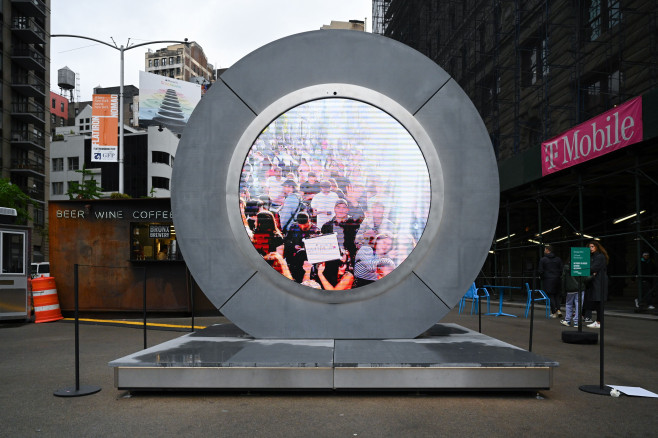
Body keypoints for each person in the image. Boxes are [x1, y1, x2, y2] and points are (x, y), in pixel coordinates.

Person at [584, 240, 609, 329]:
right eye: (589, 247)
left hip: (599, 282)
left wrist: (586, 269)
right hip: (596, 281)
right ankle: (597, 321)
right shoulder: (594, 256)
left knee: (599, 302)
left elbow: (594, 268)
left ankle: (599, 322)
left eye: (592, 246)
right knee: (596, 301)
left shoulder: (599, 256)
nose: (590, 248)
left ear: (597, 247)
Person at [538, 244, 563, 318]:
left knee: (551, 296)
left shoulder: (543, 259)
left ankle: (554, 312)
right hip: (557, 279)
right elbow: (561, 269)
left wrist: (542, 277)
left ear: (548, 250)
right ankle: (558, 310)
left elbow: (540, 271)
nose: (544, 251)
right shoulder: (558, 259)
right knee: (557, 296)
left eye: (545, 249)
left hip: (548, 279)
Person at [560, 259, 582, 328]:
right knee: (578, 304)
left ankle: (568, 320)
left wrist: (563, 290)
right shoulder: (581, 266)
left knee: (569, 304)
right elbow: (585, 278)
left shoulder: (566, 267)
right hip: (579, 288)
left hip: (569, 289)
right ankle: (576, 322)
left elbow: (563, 279)